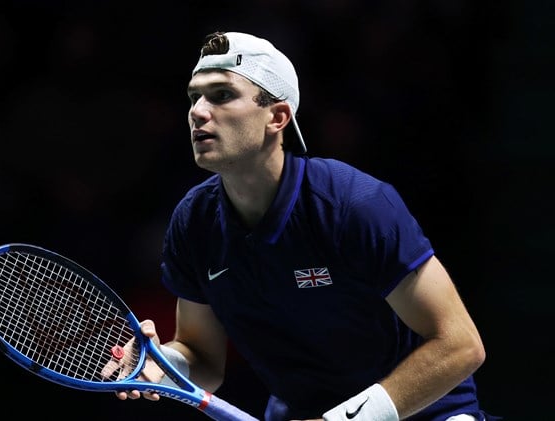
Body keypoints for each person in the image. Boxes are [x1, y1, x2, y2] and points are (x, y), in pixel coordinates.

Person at [105, 31, 500, 421]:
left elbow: (461, 345)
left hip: (424, 412)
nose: (198, 111)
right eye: (194, 97)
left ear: (277, 117)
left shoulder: (353, 205)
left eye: (221, 95)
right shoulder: (194, 222)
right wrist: (164, 361)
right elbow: (204, 358)